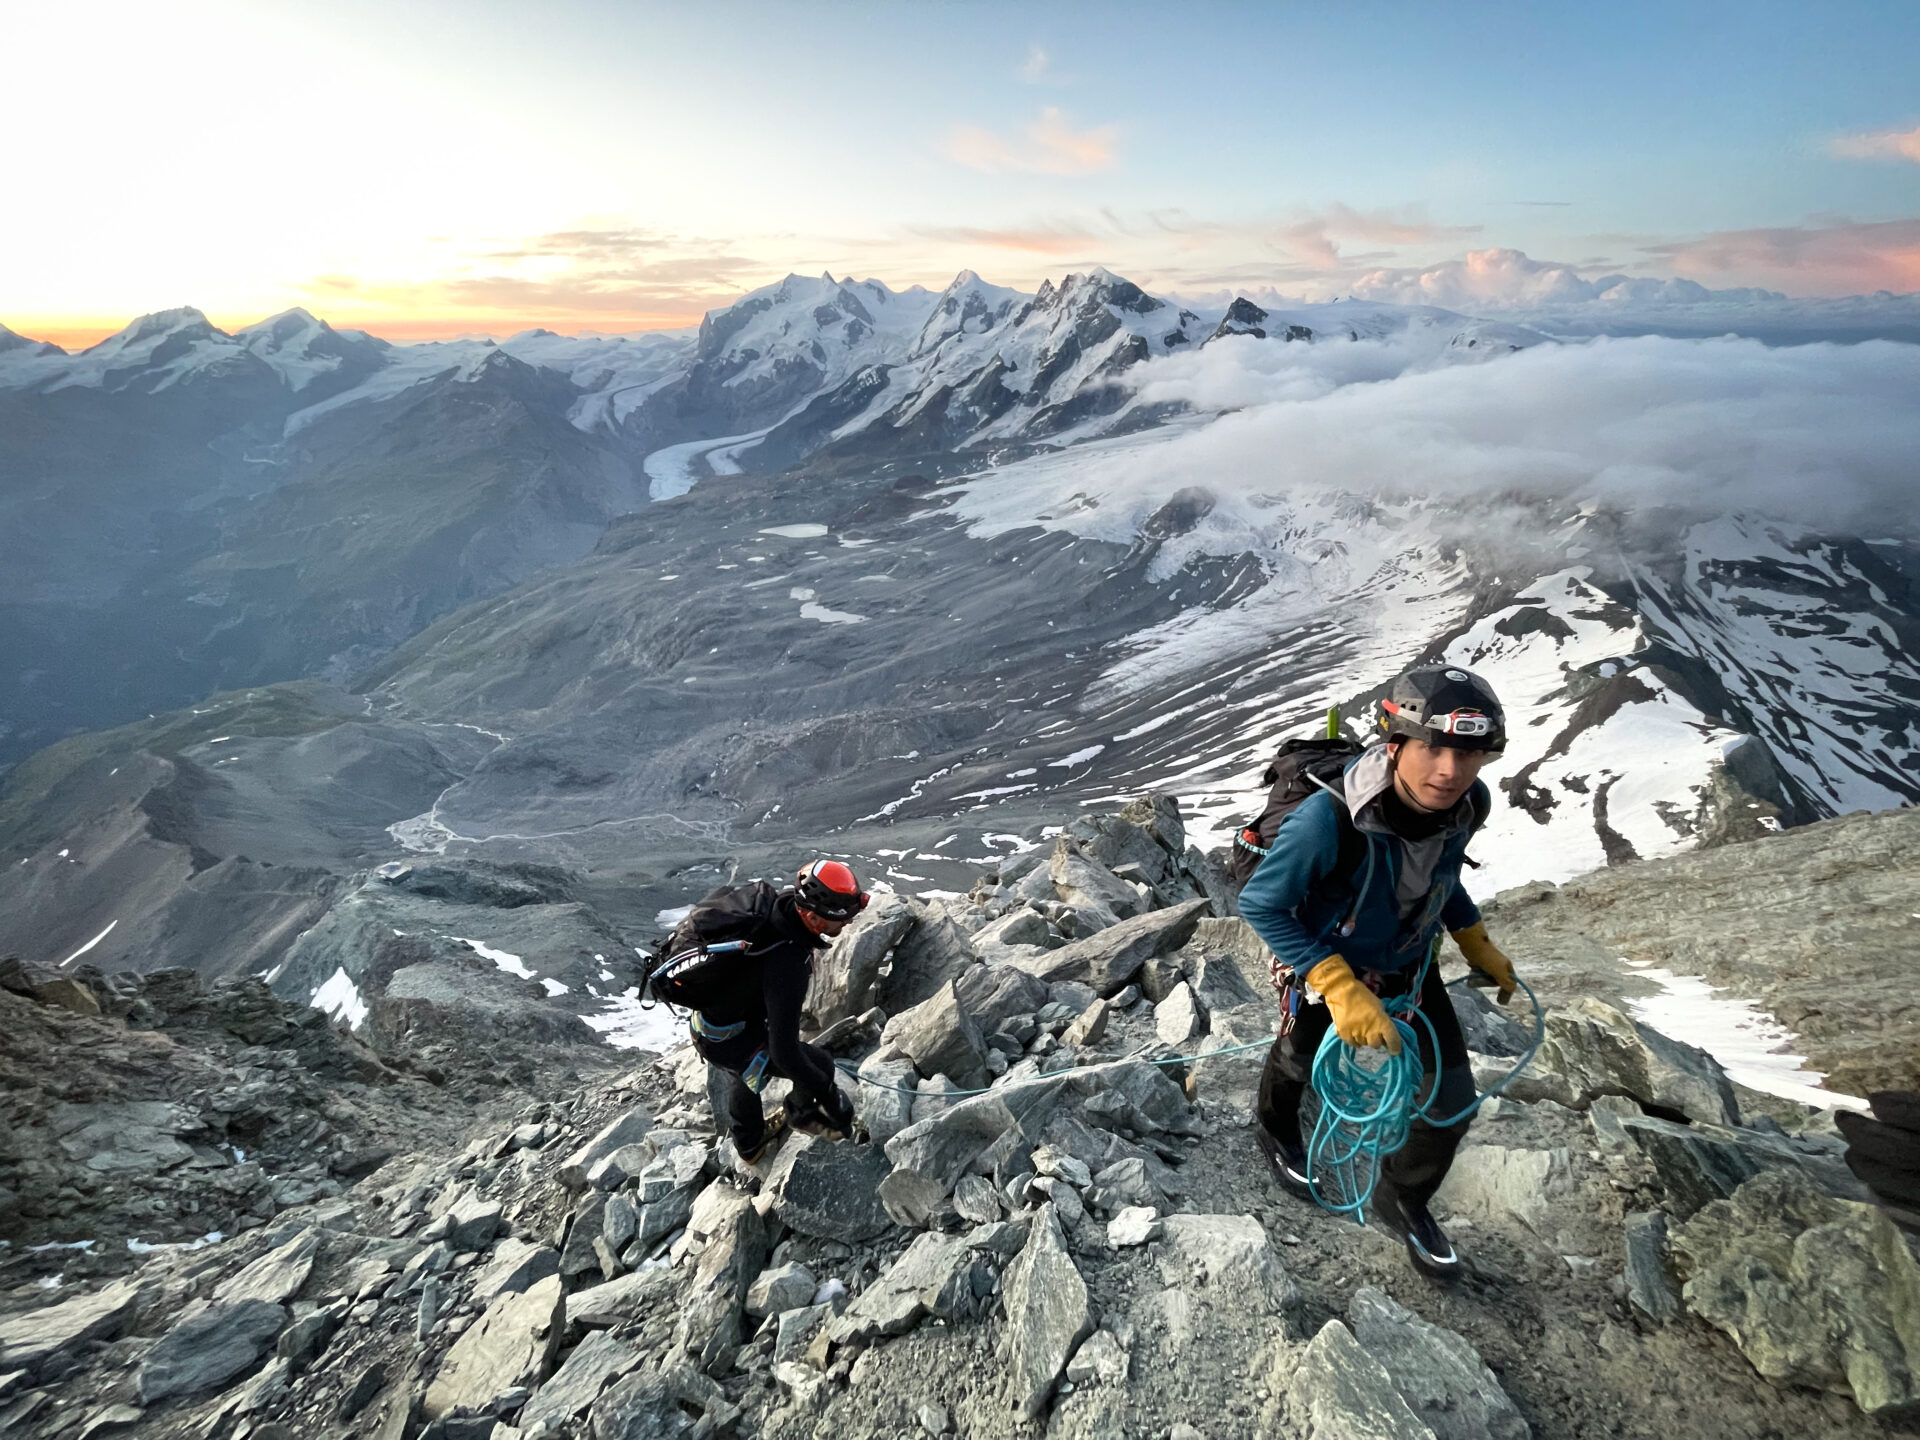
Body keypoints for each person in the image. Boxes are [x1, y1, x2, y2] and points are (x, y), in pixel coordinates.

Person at [1237, 665, 1520, 1279]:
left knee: (1450, 1099)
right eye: (1433, 748)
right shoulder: (1327, 820)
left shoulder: (1469, 803)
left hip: (1409, 960)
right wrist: (1335, 986)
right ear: (1395, 747)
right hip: (1324, 954)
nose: (1450, 769)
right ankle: (1276, 1130)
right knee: (1299, 1056)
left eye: (1468, 753)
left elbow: (1441, 878)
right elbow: (1261, 903)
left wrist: (1473, 938)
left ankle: (1404, 1195)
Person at [671, 859, 867, 1162]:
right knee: (819, 1065)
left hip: (713, 1023)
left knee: (746, 1073)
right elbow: (785, 1051)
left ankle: (750, 1142)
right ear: (816, 918)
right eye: (843, 917)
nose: (849, 923)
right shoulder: (789, 962)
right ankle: (797, 1117)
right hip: (727, 1037)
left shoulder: (777, 909)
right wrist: (829, 1094)